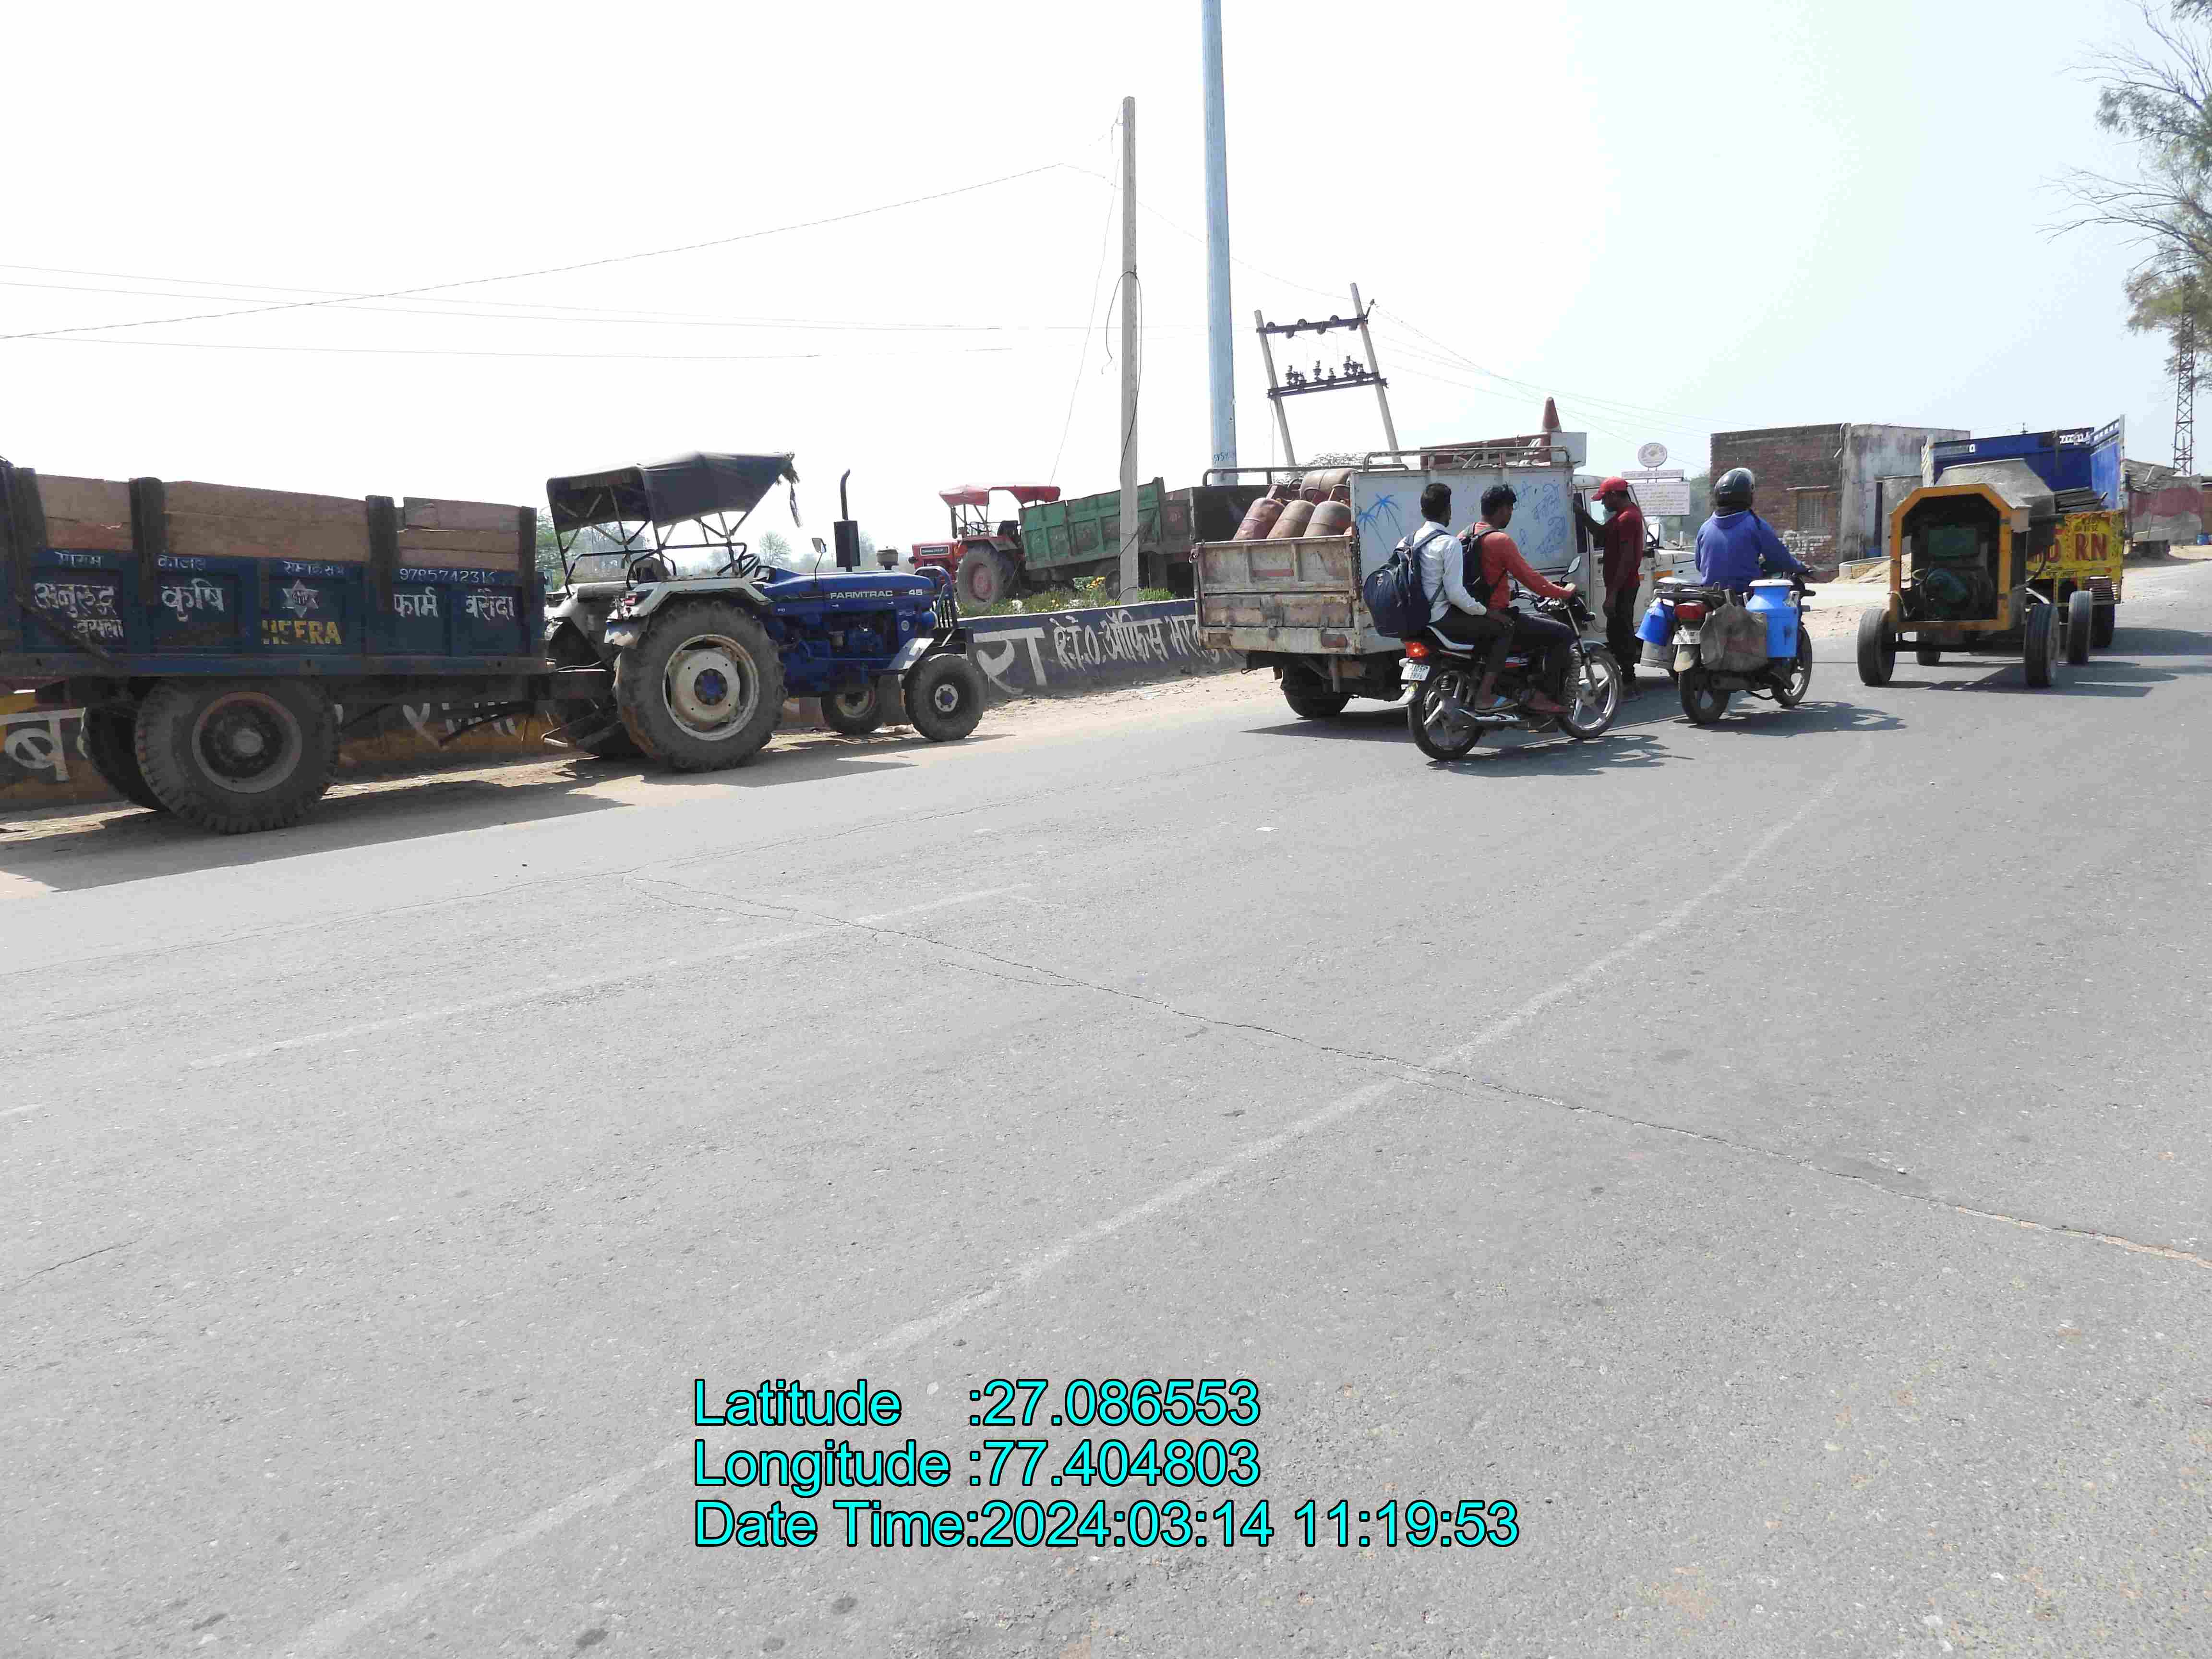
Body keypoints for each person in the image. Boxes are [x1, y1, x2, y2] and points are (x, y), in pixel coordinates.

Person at [1467, 482, 1579, 716]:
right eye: (1510, 509)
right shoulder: (1499, 540)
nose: (1511, 514)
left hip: (1475, 615)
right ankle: (1543, 697)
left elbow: (1481, 577)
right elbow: (1531, 579)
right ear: (1502, 509)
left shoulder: (1466, 535)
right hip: (1497, 616)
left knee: (1538, 624)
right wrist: (1564, 593)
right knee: (1562, 633)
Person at [1405, 480, 1514, 712]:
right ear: (1448, 510)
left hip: (1415, 619)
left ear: (1422, 511)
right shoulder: (1448, 543)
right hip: (1440, 618)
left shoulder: (1408, 541)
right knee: (1503, 629)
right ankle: (1484, 696)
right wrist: (1489, 612)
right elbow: (1456, 595)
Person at [1574, 477, 1649, 692]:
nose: (1603, 503)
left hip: (1623, 586)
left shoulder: (1628, 519)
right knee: (1616, 633)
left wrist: (1612, 595)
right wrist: (1581, 513)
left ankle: (1629, 682)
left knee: (1621, 634)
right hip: (1621, 585)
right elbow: (1601, 534)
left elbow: (1626, 560)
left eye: (1604, 499)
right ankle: (1624, 679)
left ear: (1615, 495)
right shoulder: (1623, 517)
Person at [1695, 467, 1809, 593]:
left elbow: (1699, 565)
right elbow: (1781, 559)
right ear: (1748, 494)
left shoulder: (1705, 528)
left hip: (1711, 595)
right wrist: (1802, 568)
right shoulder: (1756, 525)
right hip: (1746, 595)